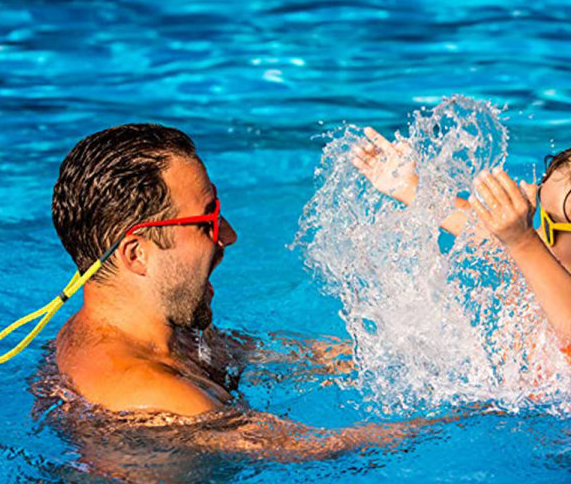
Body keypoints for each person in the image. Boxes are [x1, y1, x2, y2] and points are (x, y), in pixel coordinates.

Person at [26, 123, 448, 461]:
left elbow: (288, 356)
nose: (228, 235)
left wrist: (426, 361)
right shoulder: (152, 395)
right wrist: (477, 411)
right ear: (136, 255)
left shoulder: (167, 335)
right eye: (206, 220)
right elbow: (315, 447)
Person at [352, 127, 571, 357]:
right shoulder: (549, 260)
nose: (540, 236)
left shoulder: (534, 252)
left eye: (552, 225)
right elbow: (482, 231)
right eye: (539, 219)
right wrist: (407, 186)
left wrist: (523, 241)